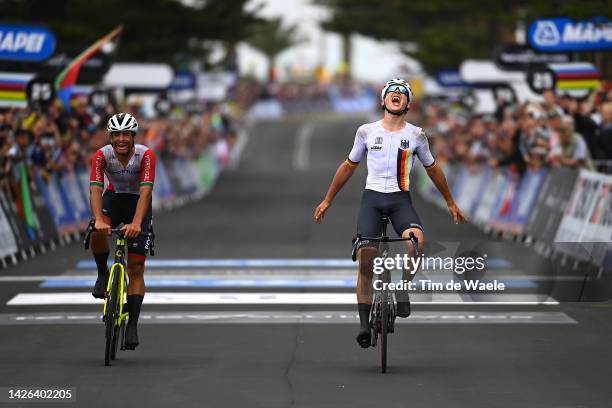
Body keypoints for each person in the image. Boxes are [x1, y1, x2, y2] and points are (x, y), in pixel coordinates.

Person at [313, 78, 467, 348]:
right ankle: (363, 324)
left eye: (402, 93)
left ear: (407, 103)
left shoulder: (417, 135)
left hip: (400, 201)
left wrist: (451, 202)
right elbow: (348, 166)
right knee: (366, 260)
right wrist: (327, 200)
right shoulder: (366, 132)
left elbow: (433, 170)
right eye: (391, 93)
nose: (396, 95)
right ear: (383, 100)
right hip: (371, 200)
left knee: (416, 242)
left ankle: (403, 287)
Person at [89, 113, 156, 350]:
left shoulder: (145, 155)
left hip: (139, 204)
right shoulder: (102, 156)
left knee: (136, 267)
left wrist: (137, 223)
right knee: (96, 232)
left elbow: (146, 192)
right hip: (114, 200)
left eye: (126, 134)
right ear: (110, 137)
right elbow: (96, 189)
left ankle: (133, 325)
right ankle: (102, 274)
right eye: (116, 135)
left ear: (133, 136)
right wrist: (98, 219)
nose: (121, 139)